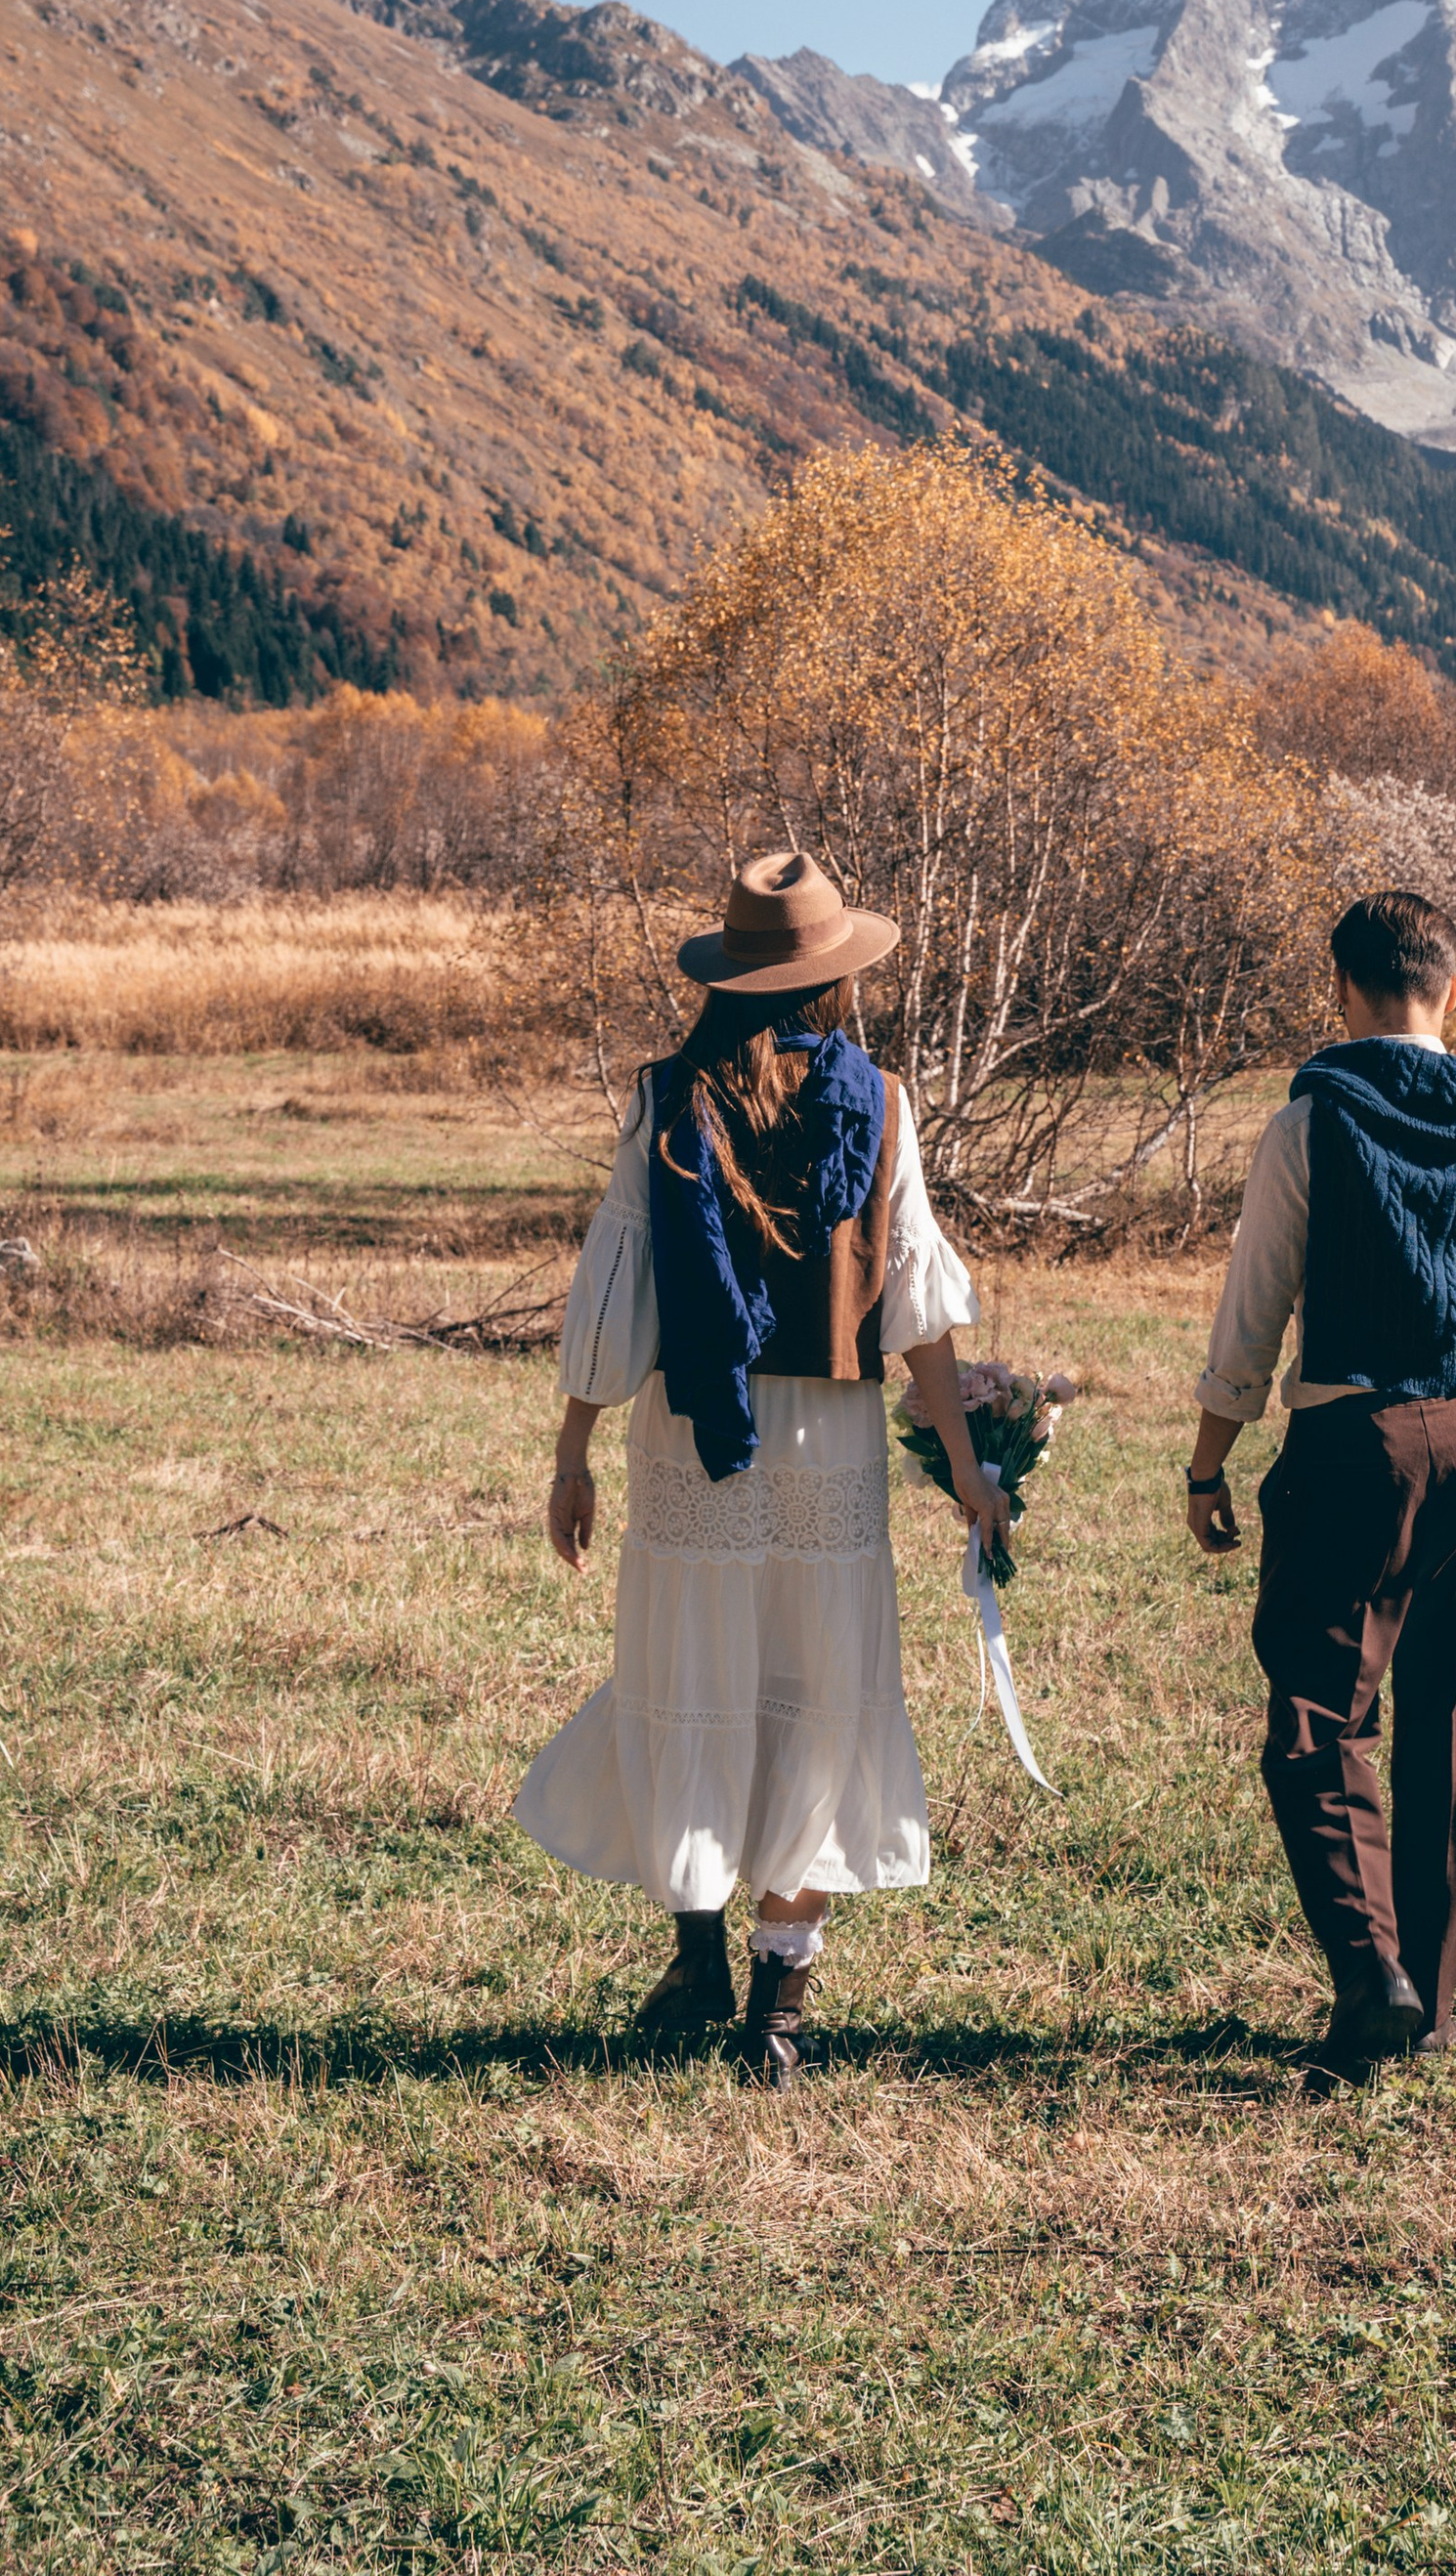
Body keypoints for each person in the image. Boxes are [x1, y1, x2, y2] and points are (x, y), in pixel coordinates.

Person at [515, 850, 1009, 2080]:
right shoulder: (883, 1103)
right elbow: (919, 1317)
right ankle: (775, 2014)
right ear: (834, 982)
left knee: (696, 1671)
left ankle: (695, 1957)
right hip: (828, 1445)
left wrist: (573, 1449)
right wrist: (965, 1465)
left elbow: (616, 1288)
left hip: (695, 1434)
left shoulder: (666, 1095)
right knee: (815, 1696)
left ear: (729, 976)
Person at [1184, 888, 1456, 2079]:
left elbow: (1253, 1314)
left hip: (1349, 1438)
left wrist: (1209, 1460)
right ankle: (1432, 2009)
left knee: (1314, 1720)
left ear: (1339, 989)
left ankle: (1370, 1975)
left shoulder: (1312, 1121)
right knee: (1447, 1732)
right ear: (1449, 990)